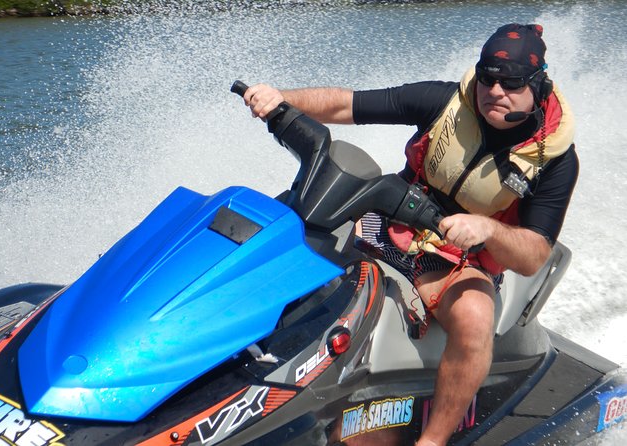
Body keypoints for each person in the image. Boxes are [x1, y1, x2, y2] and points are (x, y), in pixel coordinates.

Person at [241, 23, 578, 446]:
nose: (495, 90)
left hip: (457, 256)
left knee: (474, 321)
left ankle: (432, 439)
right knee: (290, 226)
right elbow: (346, 105)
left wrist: (488, 227)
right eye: (488, 77)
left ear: (537, 85)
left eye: (510, 82)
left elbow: (532, 256)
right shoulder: (444, 101)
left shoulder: (555, 161)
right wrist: (283, 99)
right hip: (391, 216)